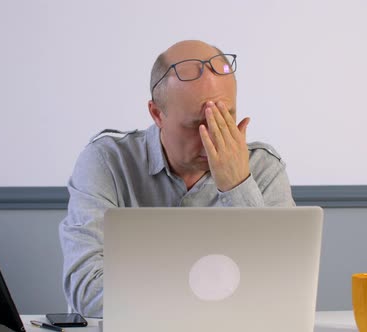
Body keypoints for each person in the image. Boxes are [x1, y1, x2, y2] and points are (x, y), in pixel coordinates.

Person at [59, 40, 295, 318]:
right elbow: (87, 291)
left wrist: (238, 186)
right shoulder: (106, 163)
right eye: (198, 124)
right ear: (157, 114)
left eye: (226, 116)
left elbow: (283, 289)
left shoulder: (264, 168)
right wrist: (210, 293)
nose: (214, 137)